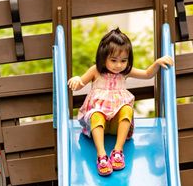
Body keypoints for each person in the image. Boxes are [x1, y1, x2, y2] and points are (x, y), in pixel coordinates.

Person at [68, 28, 173, 176]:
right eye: (113, 60)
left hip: (116, 123)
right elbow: (80, 84)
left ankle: (118, 151)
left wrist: (157, 63)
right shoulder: (95, 71)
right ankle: (102, 156)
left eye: (123, 61)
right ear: (103, 57)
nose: (119, 65)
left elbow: (147, 74)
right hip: (99, 124)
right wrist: (77, 79)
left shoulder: (125, 73)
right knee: (96, 114)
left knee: (127, 109)